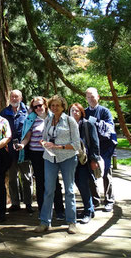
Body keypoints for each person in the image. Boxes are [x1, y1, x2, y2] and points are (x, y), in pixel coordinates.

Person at [34, 95, 80, 235]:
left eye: (57, 106)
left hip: (67, 158)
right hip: (50, 158)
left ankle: (72, 222)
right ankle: (44, 222)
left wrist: (58, 147)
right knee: (48, 190)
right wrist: (43, 143)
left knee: (70, 190)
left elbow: (76, 145)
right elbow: (45, 137)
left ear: (63, 106)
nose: (54, 108)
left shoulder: (70, 121)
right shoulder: (48, 119)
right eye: (52, 105)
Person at [15, 97, 64, 219]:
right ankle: (43, 211)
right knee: (40, 182)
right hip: (36, 154)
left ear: (45, 105)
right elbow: (27, 136)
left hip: (51, 153)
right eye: (35, 107)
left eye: (40, 105)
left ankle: (59, 210)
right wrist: (22, 145)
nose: (38, 108)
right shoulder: (31, 119)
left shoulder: (53, 117)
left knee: (54, 182)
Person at [0, 90, 33, 213]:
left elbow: (31, 129)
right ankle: (15, 203)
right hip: (10, 150)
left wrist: (23, 144)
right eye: (12, 96)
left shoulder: (28, 111)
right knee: (13, 178)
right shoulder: (4, 112)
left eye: (16, 96)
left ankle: (28, 203)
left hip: (25, 149)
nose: (14, 99)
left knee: (26, 177)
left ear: (21, 98)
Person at [85, 87, 117, 212]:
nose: (91, 99)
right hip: (90, 147)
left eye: (93, 96)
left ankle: (109, 200)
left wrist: (95, 123)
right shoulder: (85, 111)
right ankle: (95, 200)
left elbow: (109, 128)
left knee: (106, 173)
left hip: (104, 147)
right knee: (90, 174)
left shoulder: (105, 111)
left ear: (98, 97)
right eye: (88, 97)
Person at [70, 102, 100, 224]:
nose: (74, 113)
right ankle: (90, 209)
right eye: (72, 111)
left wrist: (94, 160)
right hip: (72, 160)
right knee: (79, 184)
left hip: (84, 160)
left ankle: (88, 211)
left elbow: (95, 143)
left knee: (83, 184)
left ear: (82, 112)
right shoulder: (68, 125)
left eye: (77, 110)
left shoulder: (87, 125)